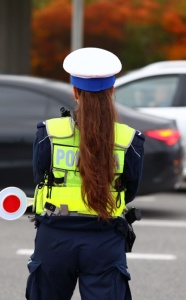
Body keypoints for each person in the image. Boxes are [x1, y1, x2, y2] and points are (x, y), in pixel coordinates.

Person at [26, 47, 145, 300]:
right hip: (105, 237)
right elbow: (130, 190)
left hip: (55, 238)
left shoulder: (48, 132)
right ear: (112, 91)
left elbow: (40, 180)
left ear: (75, 92)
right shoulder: (129, 140)